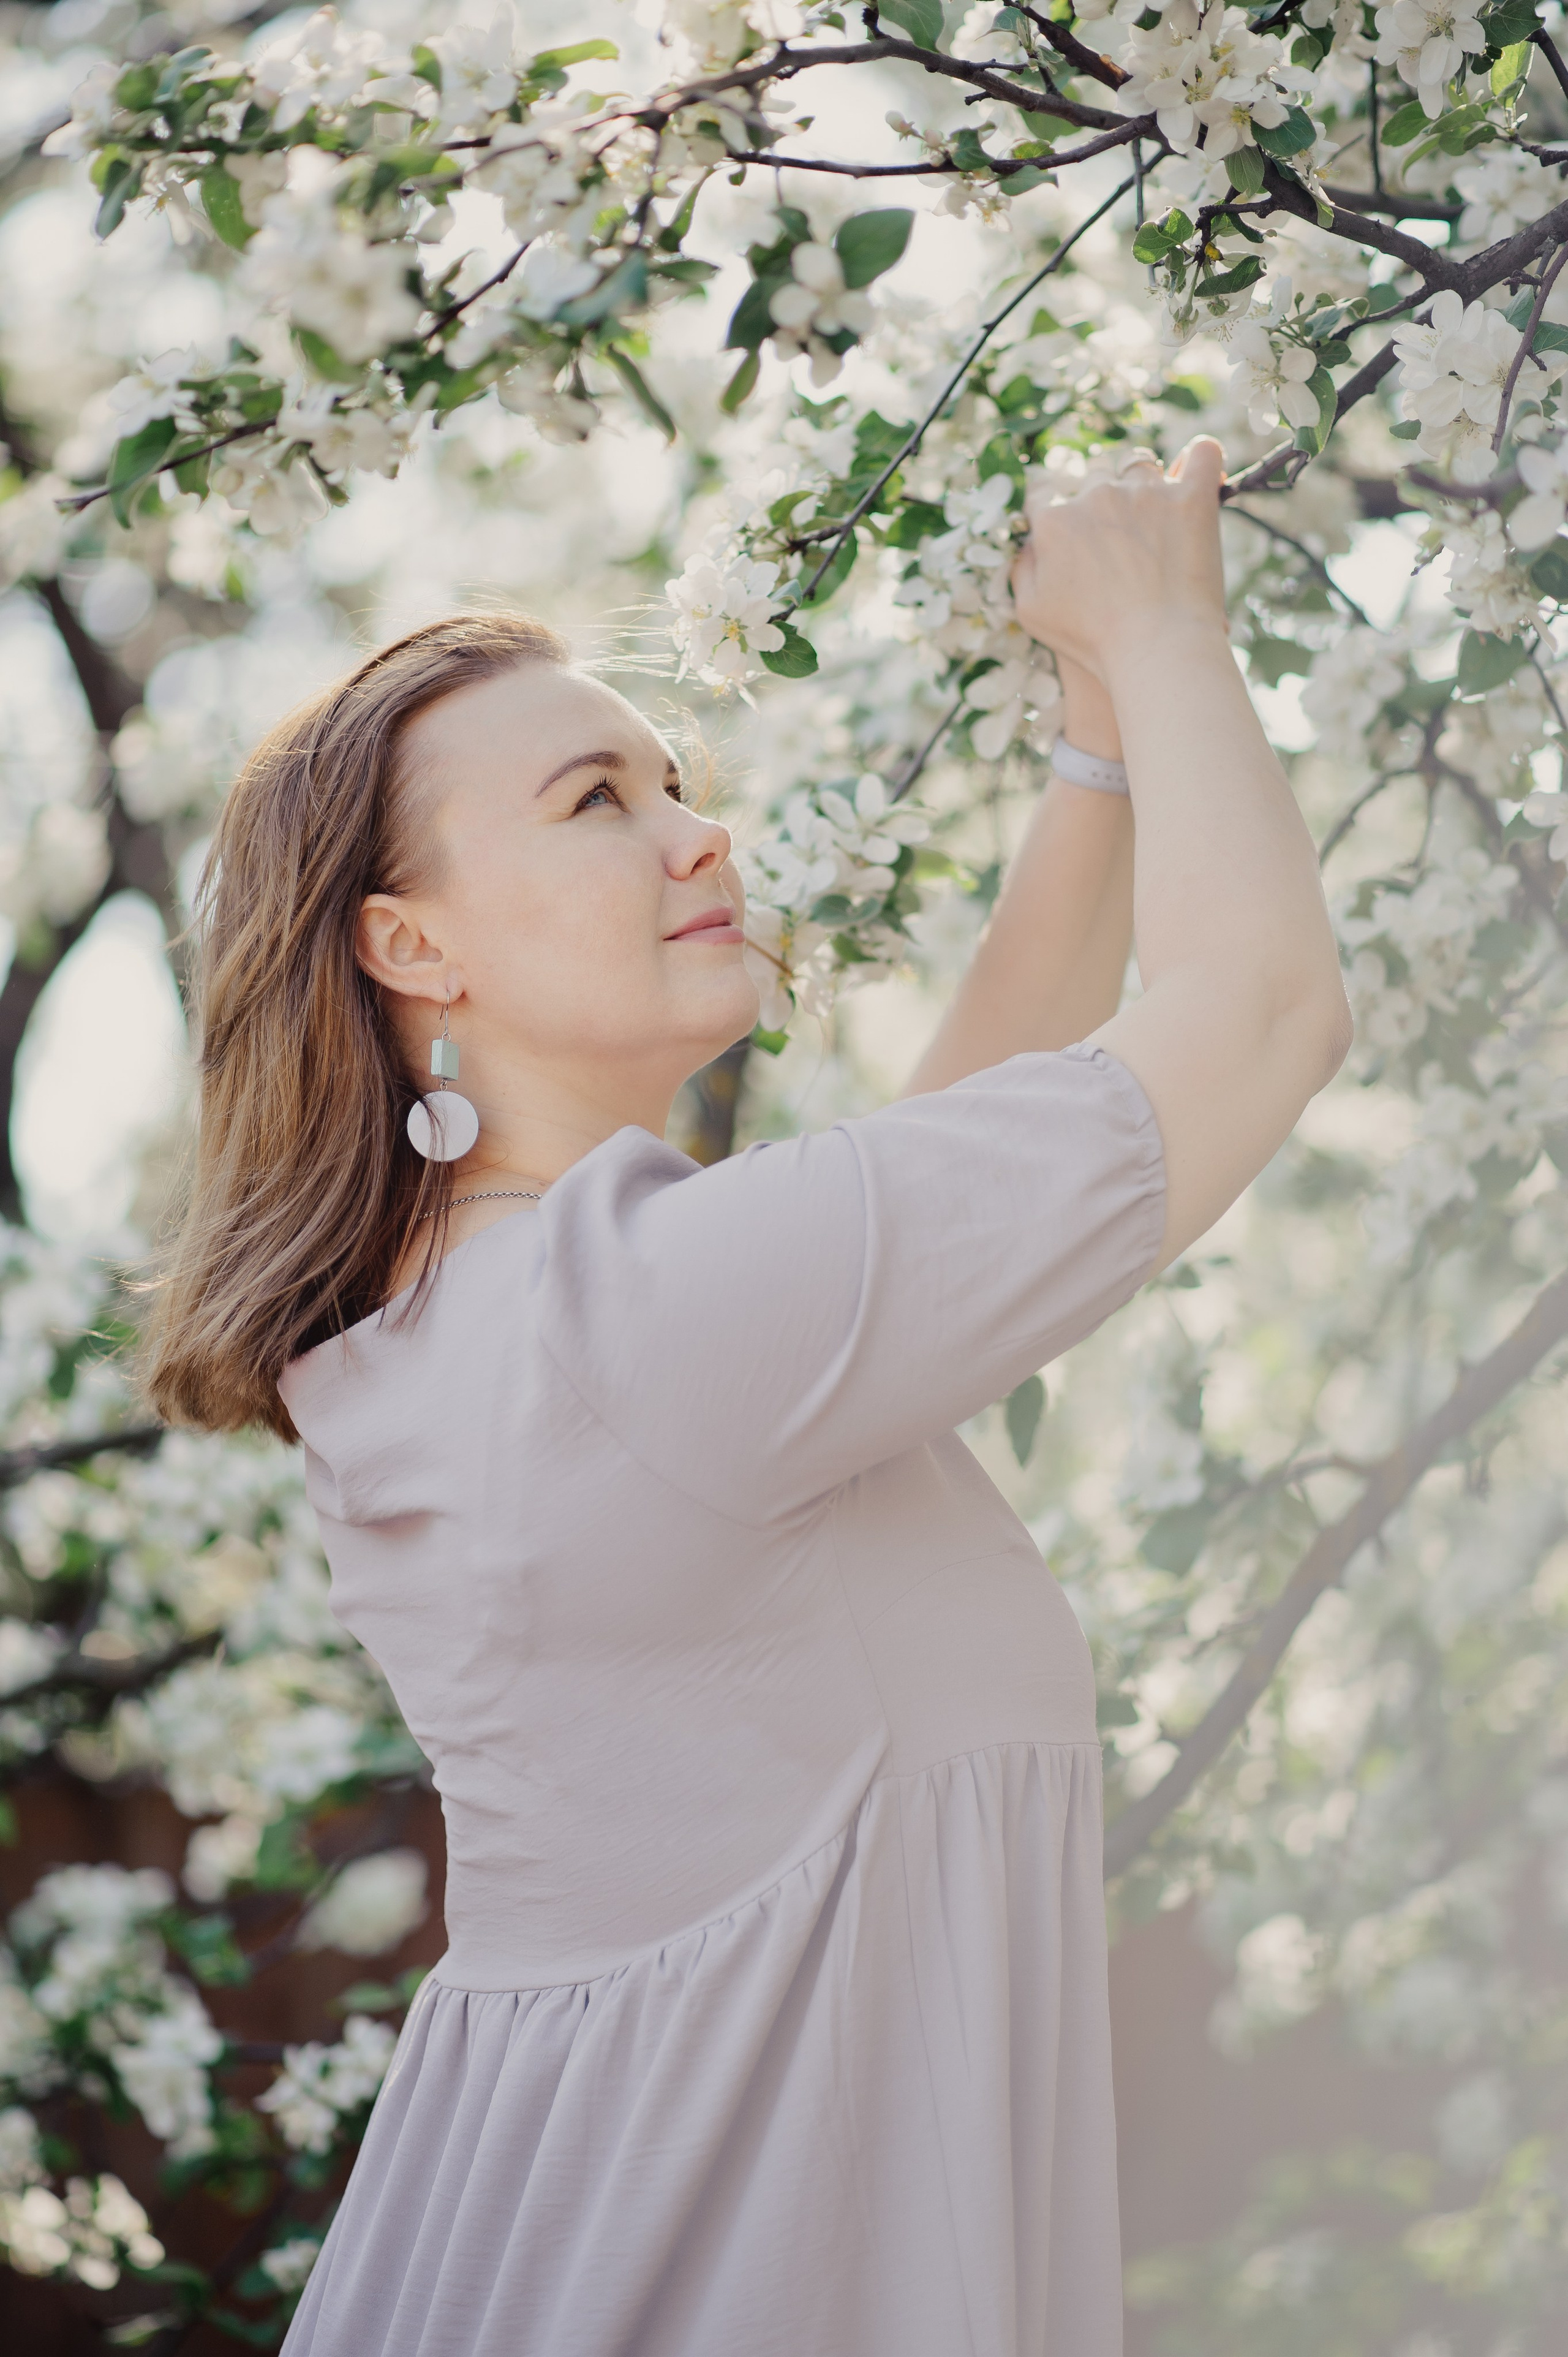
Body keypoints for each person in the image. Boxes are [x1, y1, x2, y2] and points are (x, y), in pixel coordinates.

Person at [145, 438, 1351, 2356]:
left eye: (678, 785)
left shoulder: (472, 1336)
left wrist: (1100, 752)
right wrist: (1162, 621)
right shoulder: (649, 1319)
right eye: (597, 799)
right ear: (409, 942)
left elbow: (935, 1168)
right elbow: (1268, 1009)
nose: (700, 836)